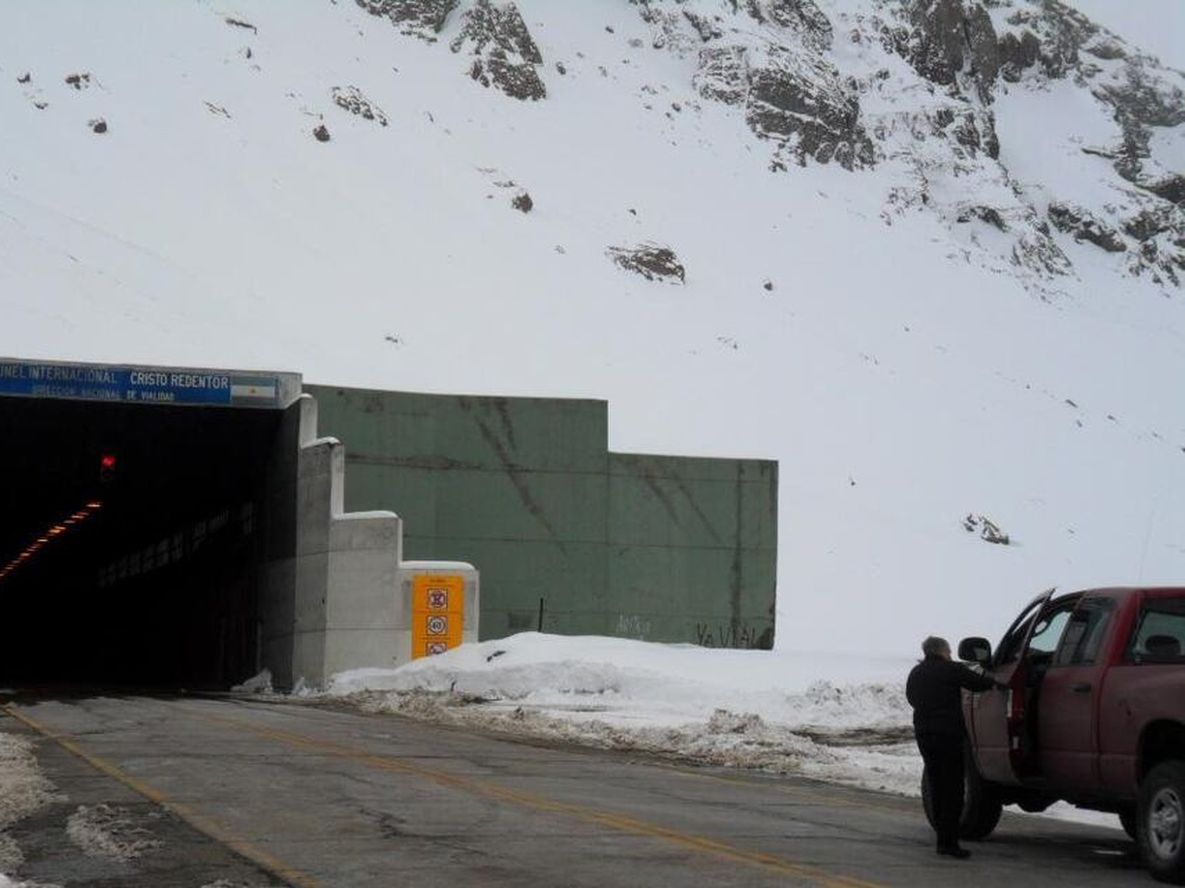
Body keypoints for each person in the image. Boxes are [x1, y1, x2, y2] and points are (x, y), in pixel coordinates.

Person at [906, 635, 1004, 859]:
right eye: (949, 651)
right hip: (948, 735)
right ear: (942, 651)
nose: (950, 655)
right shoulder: (950, 669)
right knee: (953, 789)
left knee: (937, 783)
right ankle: (948, 843)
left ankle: (943, 836)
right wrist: (995, 681)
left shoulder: (916, 673)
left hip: (924, 734)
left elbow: (911, 697)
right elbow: (979, 683)